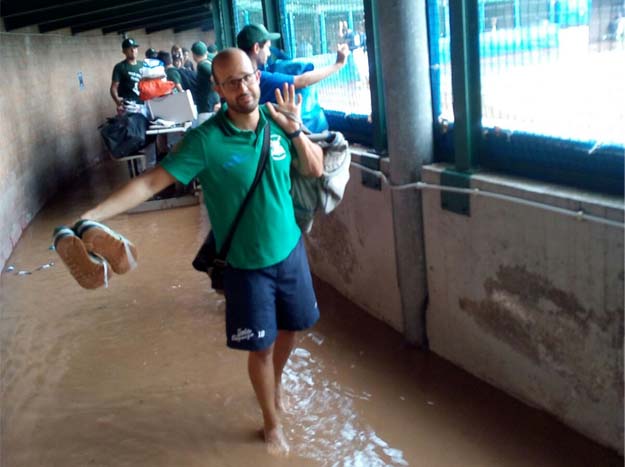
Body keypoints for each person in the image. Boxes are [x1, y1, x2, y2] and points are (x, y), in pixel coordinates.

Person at [77, 48, 323, 456]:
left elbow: (314, 169)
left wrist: (297, 131)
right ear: (218, 88)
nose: (242, 88)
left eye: (247, 77)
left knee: (291, 328)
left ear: (257, 76)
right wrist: (93, 214)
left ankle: (276, 386)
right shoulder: (205, 141)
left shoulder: (278, 123)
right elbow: (149, 183)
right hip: (246, 266)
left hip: (291, 252)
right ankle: (271, 421)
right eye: (231, 82)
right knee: (259, 347)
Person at [237, 23, 349, 106]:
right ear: (256, 48)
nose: (269, 53)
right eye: (267, 47)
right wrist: (338, 64)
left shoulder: (236, 76)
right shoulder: (257, 78)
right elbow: (303, 81)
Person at [110, 38, 144, 113]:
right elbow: (113, 88)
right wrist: (118, 102)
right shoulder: (120, 67)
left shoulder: (143, 65)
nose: (133, 51)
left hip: (144, 104)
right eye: (130, 49)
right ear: (124, 51)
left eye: (135, 48)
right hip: (129, 106)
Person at [191, 40, 221, 124]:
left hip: (207, 107)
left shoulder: (202, 65)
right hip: (211, 105)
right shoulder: (210, 60)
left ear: (193, 54)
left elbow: (215, 78)